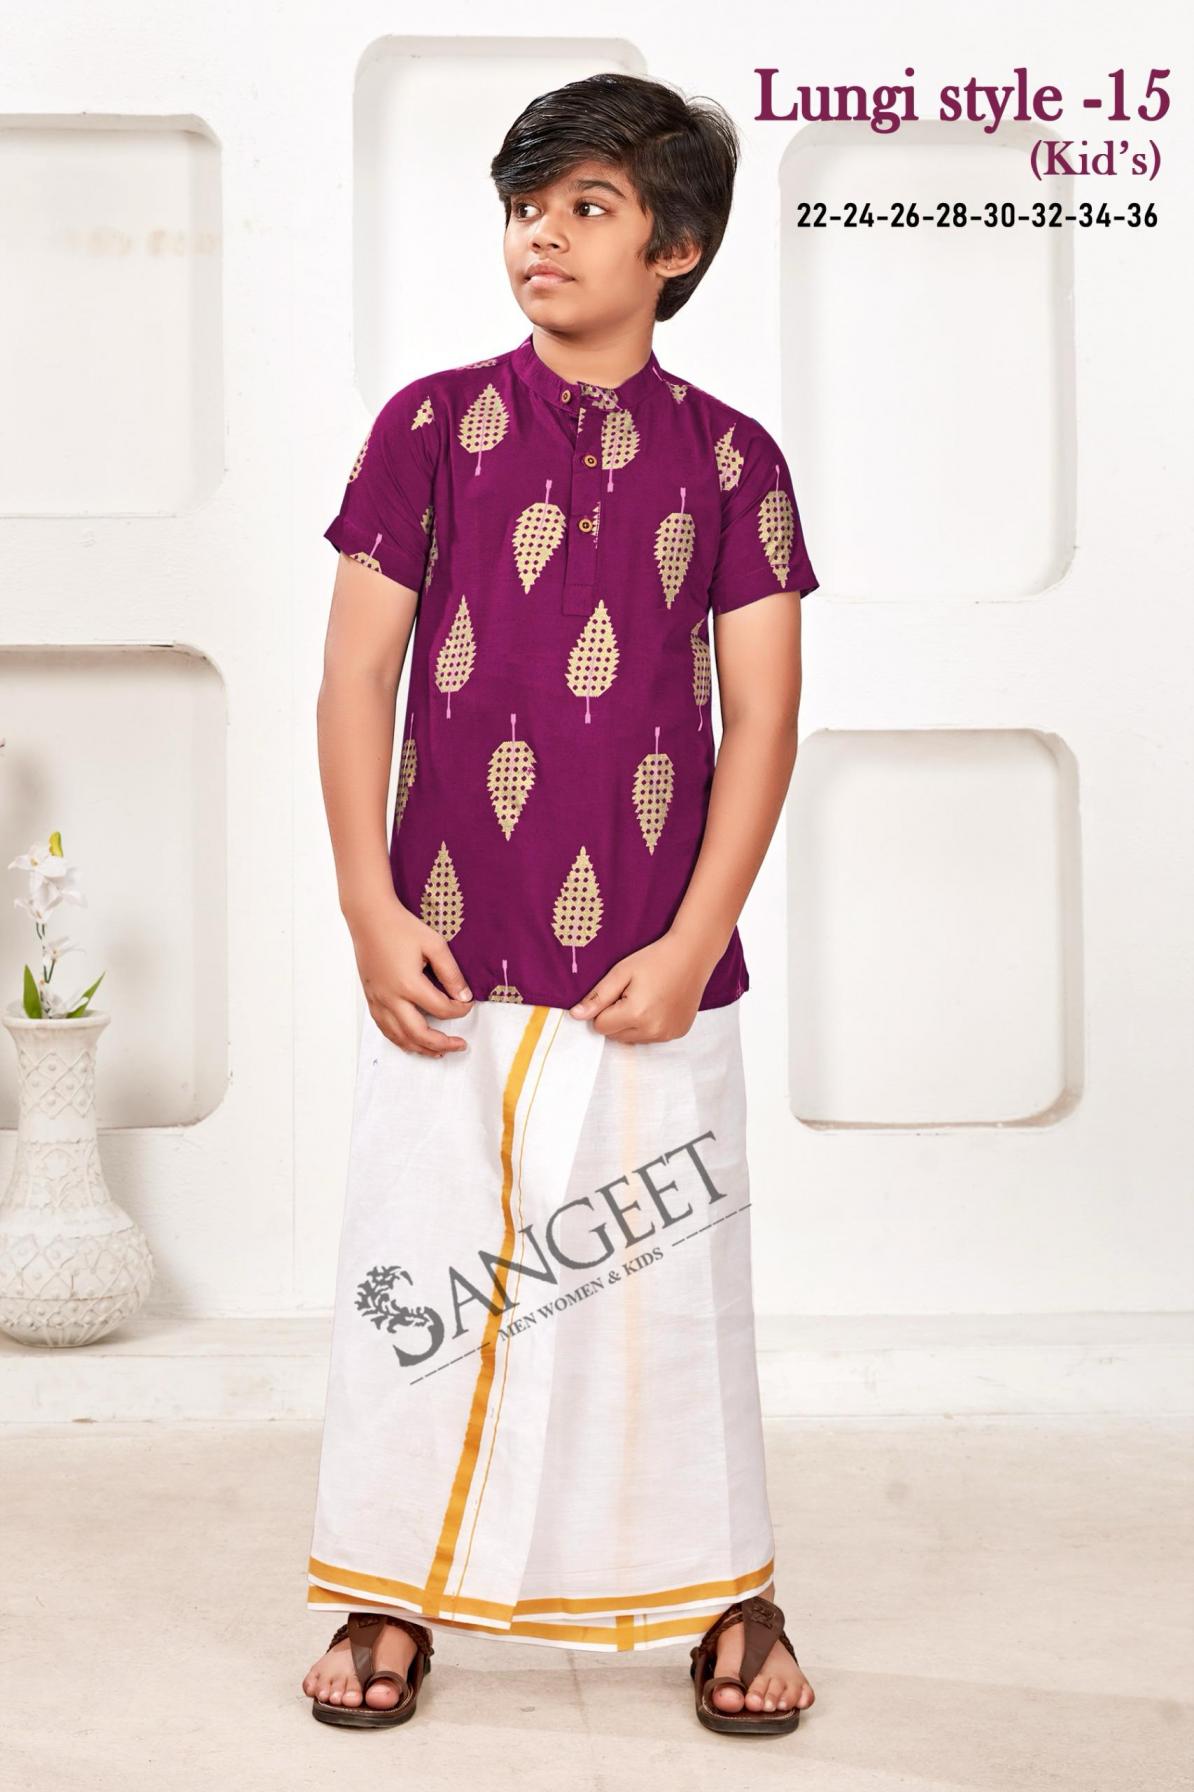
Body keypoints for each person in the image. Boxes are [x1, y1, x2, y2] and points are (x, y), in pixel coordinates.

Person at [301, 70, 819, 1736]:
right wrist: (368, 906)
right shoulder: (430, 430)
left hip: (649, 960)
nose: (540, 234)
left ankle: (725, 1588)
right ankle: (387, 1582)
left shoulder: (731, 460)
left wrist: (692, 939)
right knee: (421, 1261)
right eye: (525, 205)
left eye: (586, 206)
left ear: (674, 248)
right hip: (449, 944)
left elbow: (763, 720)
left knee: (668, 1281)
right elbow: (355, 681)